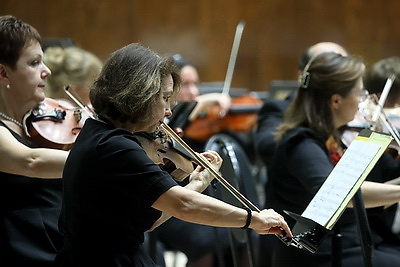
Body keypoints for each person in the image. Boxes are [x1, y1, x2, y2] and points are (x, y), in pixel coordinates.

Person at [54, 43, 292, 267]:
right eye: (165, 98)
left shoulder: (98, 133)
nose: (168, 111)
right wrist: (253, 219)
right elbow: (183, 205)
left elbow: (149, 222)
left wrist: (197, 184)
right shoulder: (115, 147)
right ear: (139, 94)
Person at [266, 51, 400, 266]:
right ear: (336, 100)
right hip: (315, 255)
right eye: (359, 94)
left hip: (345, 244)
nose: (363, 103)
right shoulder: (302, 144)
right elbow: (343, 196)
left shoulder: (331, 138)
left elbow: (367, 190)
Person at [0, 15, 70, 266]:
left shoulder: (39, 123)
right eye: (34, 62)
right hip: (23, 248)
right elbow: (31, 161)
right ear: (3, 73)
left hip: (59, 240)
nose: (47, 71)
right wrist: (102, 158)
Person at [255, 41, 348, 165]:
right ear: (303, 75)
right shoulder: (279, 109)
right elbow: (266, 147)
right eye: (327, 70)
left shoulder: (358, 114)